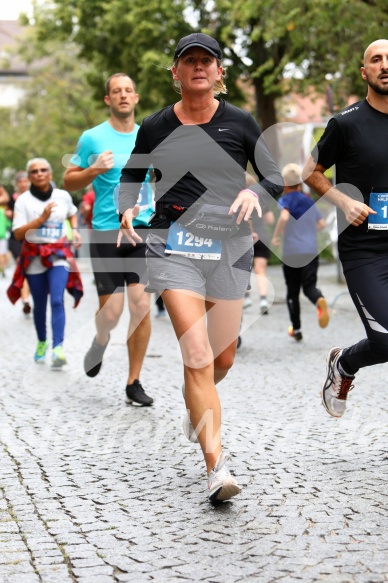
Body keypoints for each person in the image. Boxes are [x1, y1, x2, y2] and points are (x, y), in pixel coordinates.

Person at [118, 32, 282, 502]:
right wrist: (129, 207)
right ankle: (217, 468)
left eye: (206, 61)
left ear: (218, 73)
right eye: (188, 61)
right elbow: (132, 177)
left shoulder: (240, 121)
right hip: (175, 247)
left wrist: (254, 191)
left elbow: (273, 176)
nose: (198, 68)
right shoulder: (154, 126)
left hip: (229, 249)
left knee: (221, 359)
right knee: (196, 355)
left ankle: (196, 403)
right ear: (175, 72)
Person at [303, 38, 388, 418]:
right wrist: (344, 200)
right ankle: (344, 364)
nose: (385, 65)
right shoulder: (346, 122)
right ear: (364, 71)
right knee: (386, 341)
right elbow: (310, 173)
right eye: (377, 59)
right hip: (365, 250)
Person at [63, 73, 154, 406]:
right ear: (108, 100)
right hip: (105, 231)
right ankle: (101, 339)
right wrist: (92, 170)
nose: (123, 96)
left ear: (136, 97)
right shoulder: (92, 138)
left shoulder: (150, 135)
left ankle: (134, 381)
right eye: (116, 91)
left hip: (142, 229)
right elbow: (69, 181)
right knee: (112, 313)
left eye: (128, 90)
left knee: (141, 305)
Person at [7, 158, 83, 367]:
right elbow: (18, 233)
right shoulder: (23, 201)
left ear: (50, 174)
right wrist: (41, 219)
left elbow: (72, 213)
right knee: (39, 304)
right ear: (29, 176)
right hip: (34, 256)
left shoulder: (63, 196)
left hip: (58, 253)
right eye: (34, 171)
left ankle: (58, 347)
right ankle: (42, 342)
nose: (39, 174)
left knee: (57, 300)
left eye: (43, 170)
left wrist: (75, 231)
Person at [271, 163, 329, 342]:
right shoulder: (308, 200)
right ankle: (318, 299)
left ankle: (296, 329)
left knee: (292, 291)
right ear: (299, 184)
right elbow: (321, 224)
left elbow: (284, 216)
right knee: (309, 286)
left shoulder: (286, 199)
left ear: (285, 185)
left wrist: (276, 235)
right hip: (311, 250)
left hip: (292, 253)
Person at [247, 172, 275, 315]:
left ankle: (246, 298)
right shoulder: (262, 201)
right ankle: (263, 300)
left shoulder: (240, 198)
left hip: (245, 237)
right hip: (262, 237)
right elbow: (270, 220)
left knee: (243, 269)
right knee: (261, 270)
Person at [7, 171, 32, 314]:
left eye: (25, 181)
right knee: (21, 265)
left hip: (32, 237)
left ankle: (29, 295)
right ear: (17, 184)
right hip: (16, 238)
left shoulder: (35, 197)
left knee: (30, 269)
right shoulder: (13, 198)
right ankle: (25, 300)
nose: (23, 184)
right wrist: (9, 212)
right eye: (20, 181)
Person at [0, 186, 11, 277]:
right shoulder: (3, 211)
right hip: (3, 234)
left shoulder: (3, 211)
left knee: (2, 253)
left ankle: (2, 268)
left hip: (2, 234)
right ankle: (2, 269)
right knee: (2, 253)